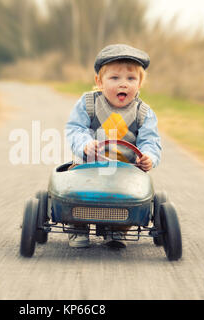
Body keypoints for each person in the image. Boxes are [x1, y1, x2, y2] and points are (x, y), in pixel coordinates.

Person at [65, 44, 162, 249]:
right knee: (74, 192)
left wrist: (148, 157)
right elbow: (75, 128)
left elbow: (150, 140)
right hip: (88, 167)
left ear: (139, 84)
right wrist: (85, 145)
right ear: (99, 82)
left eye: (131, 79)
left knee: (131, 196)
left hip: (126, 171)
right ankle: (78, 226)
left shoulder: (143, 112)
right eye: (115, 78)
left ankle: (117, 228)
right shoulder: (88, 103)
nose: (123, 84)